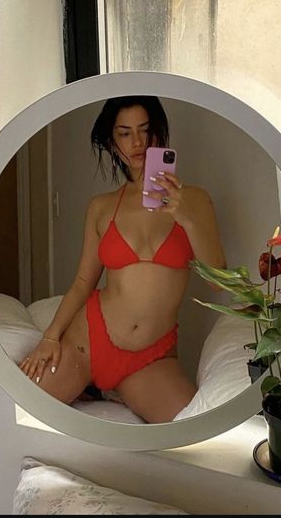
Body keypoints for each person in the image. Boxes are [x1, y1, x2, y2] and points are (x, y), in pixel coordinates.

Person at [19, 96, 226, 423]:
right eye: (125, 133)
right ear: (112, 142)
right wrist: (50, 337)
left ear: (160, 132)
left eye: (145, 129)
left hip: (150, 358)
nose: (137, 142)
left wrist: (186, 218)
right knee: (21, 409)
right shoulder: (101, 207)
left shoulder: (195, 200)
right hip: (89, 341)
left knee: (191, 435)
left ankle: (107, 389)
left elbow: (219, 281)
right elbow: (83, 282)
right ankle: (93, 383)